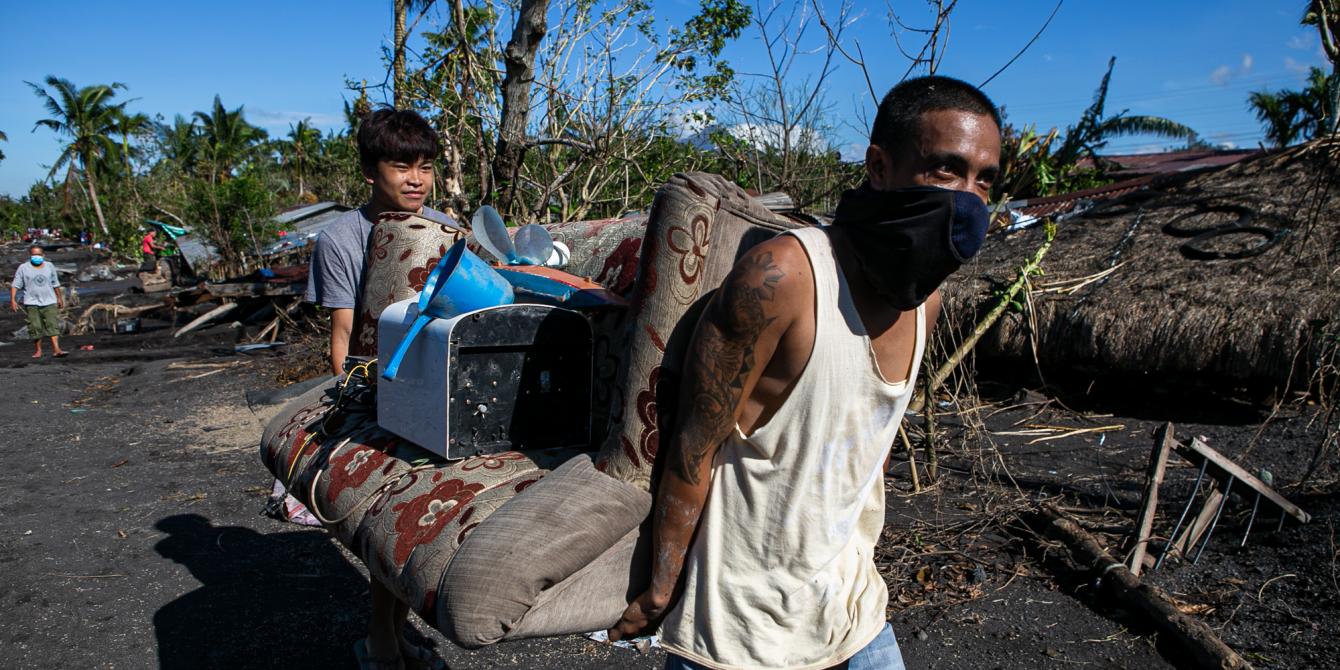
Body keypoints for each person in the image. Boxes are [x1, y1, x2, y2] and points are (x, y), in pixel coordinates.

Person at [607, 76, 1002, 669]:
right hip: (740, 627)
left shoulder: (928, 299)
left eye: (984, 179)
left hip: (851, 607)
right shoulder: (783, 278)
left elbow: (864, 439)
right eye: (946, 170)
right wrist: (662, 588)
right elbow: (695, 446)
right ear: (878, 166)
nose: (969, 199)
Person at [302, 107, 459, 670]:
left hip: (434, 391)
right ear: (371, 171)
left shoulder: (442, 229)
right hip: (377, 392)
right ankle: (384, 645)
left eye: (425, 167)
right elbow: (342, 337)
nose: (416, 179)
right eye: (401, 166)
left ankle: (392, 634)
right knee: (385, 528)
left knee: (414, 526)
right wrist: (356, 405)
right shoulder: (342, 239)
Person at [10, 244, 68, 359]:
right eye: (34, 255)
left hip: (49, 301)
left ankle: (56, 349)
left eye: (39, 254)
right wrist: (13, 299)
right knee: (35, 327)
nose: (36, 257)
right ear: (30, 255)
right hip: (32, 302)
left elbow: (55, 283)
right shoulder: (23, 268)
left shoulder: (49, 266)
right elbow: (15, 285)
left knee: (52, 324)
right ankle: (38, 350)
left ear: (43, 255)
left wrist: (59, 298)